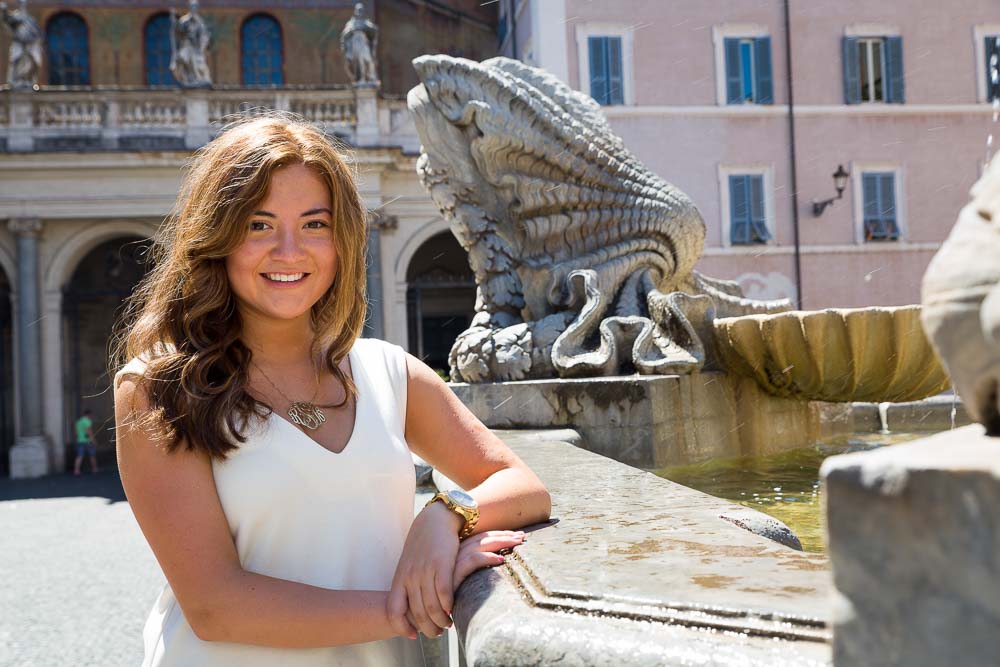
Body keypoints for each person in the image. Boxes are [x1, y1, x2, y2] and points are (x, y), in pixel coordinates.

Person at [112, 114, 551, 666]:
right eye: (259, 225)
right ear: (217, 238)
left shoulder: (389, 372)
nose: (290, 250)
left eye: (315, 224)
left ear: (342, 241)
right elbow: (216, 605)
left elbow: (524, 486)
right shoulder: (157, 389)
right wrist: (408, 607)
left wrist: (443, 515)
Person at [72, 408, 98, 476]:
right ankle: (94, 469)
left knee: (80, 456)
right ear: (89, 414)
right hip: (88, 441)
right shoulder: (87, 421)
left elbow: (76, 432)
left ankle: (76, 470)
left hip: (80, 440)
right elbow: (89, 432)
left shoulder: (78, 422)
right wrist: (93, 440)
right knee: (92, 455)